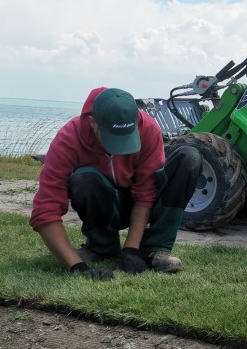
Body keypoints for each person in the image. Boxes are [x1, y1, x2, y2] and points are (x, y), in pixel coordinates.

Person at [29, 87, 201, 279]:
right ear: (93, 123)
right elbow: (45, 209)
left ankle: (154, 249)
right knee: (84, 179)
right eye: (113, 139)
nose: (121, 150)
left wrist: (131, 249)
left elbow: (145, 191)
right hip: (105, 200)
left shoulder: (149, 128)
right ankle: (101, 247)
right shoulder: (69, 138)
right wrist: (78, 267)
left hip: (139, 204)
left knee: (189, 157)